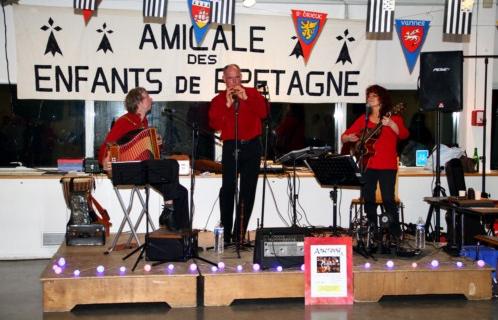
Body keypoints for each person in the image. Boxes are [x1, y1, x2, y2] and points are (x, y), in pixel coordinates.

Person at [98, 87, 189, 231]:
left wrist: (157, 144)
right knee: (172, 165)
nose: (151, 99)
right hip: (128, 170)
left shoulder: (144, 124)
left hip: (145, 169)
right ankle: (169, 208)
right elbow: (106, 146)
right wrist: (105, 161)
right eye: (147, 97)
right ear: (139, 102)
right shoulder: (124, 122)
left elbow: (149, 154)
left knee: (181, 191)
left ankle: (182, 232)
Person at [208, 64, 268, 244]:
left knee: (248, 191)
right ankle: (225, 235)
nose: (234, 82)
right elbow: (214, 124)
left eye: (237, 78)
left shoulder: (253, 93)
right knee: (228, 189)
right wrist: (227, 105)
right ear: (224, 80)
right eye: (230, 79)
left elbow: (264, 113)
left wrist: (247, 98)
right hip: (230, 146)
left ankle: (239, 235)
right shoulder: (219, 99)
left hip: (252, 146)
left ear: (241, 78)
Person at [341, 85, 409, 242]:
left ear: (382, 99)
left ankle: (395, 233)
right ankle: (372, 232)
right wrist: (349, 138)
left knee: (388, 199)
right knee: (369, 199)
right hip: (368, 165)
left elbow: (404, 134)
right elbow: (344, 137)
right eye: (368, 95)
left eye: (373, 95)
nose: (369, 98)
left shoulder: (394, 118)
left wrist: (392, 125)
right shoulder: (363, 120)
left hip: (387, 166)